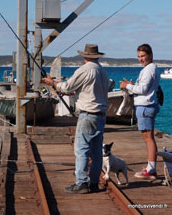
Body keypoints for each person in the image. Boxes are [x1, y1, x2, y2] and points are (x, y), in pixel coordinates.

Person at [42, 44, 109, 194]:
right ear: (97, 56)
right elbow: (102, 88)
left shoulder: (84, 70)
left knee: (82, 150)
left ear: (84, 56)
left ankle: (81, 183)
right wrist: (77, 93)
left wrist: (52, 83)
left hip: (88, 115)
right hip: (101, 115)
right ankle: (93, 183)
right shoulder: (102, 71)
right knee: (97, 151)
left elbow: (66, 87)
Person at [120, 44, 160, 180]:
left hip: (145, 107)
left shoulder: (149, 69)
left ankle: (151, 170)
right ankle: (151, 167)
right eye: (138, 56)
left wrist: (128, 86)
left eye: (143, 56)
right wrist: (132, 86)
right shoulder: (150, 68)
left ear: (150, 55)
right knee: (149, 138)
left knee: (148, 139)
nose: (140, 59)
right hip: (148, 106)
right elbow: (144, 88)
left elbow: (142, 90)